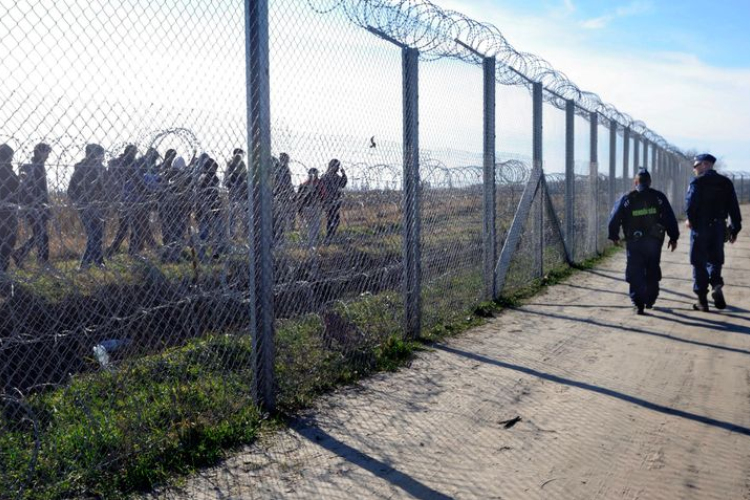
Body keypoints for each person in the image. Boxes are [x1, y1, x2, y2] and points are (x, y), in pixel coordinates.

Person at [608, 168, 679, 315]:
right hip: (654, 241)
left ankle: (638, 303)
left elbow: (614, 217)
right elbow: (669, 217)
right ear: (649, 182)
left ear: (635, 182)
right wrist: (673, 237)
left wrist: (614, 235)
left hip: (634, 242)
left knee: (635, 269)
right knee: (652, 267)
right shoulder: (658, 197)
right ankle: (651, 299)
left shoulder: (627, 198)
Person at [685, 153, 742, 311]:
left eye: (696, 166)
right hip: (718, 226)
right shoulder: (725, 182)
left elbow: (691, 203)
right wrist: (735, 229)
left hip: (700, 227)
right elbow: (734, 207)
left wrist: (690, 220)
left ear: (704, 164)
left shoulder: (697, 182)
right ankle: (716, 285)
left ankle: (702, 300)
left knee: (698, 262)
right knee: (715, 260)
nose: (695, 169)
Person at [68, 144, 107, 269]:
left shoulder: (101, 169)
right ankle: (86, 263)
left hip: (99, 206)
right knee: (93, 234)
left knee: (98, 234)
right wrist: (80, 201)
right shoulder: (81, 169)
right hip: (86, 206)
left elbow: (106, 188)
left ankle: (97, 261)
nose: (103, 157)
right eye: (101, 154)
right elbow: (71, 189)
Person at [14, 143, 51, 267]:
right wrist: (34, 202)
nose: (48, 156)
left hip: (41, 206)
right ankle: (42, 260)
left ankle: (21, 253)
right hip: (34, 207)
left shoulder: (39, 167)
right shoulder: (31, 167)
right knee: (41, 234)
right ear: (39, 152)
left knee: (40, 234)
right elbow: (26, 186)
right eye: (46, 153)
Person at [105, 144, 138, 256]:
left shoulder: (117, 163)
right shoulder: (127, 164)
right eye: (134, 153)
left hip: (122, 198)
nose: (134, 155)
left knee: (126, 225)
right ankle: (129, 250)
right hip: (125, 199)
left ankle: (114, 249)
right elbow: (135, 180)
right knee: (131, 225)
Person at [194, 156, 225, 261]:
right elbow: (203, 195)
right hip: (205, 210)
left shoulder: (209, 178)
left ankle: (211, 255)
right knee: (206, 234)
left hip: (211, 210)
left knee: (213, 234)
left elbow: (215, 194)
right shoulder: (205, 178)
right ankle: (203, 255)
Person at [0, 144, 19, 274]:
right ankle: (2, 270)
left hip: (7, 209)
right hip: (7, 211)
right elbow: (16, 188)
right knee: (7, 241)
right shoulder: (7, 170)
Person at [297, 167, 326, 249]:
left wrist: (299, 211)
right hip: (315, 207)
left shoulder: (303, 184)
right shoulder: (319, 184)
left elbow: (299, 198)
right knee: (315, 226)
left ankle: (307, 243)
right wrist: (323, 206)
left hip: (305, 207)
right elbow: (323, 196)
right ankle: (311, 244)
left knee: (309, 226)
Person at [321, 158, 347, 242]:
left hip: (335, 201)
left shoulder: (336, 176)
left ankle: (330, 236)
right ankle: (328, 237)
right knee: (331, 219)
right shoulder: (326, 176)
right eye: (337, 166)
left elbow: (343, 184)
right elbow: (324, 189)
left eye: (338, 166)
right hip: (328, 201)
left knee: (335, 220)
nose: (338, 168)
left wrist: (344, 174)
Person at [224, 148, 248, 239]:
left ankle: (241, 232)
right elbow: (227, 179)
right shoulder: (231, 164)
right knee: (234, 213)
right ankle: (233, 233)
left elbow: (245, 177)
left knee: (238, 213)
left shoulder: (240, 164)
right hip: (234, 191)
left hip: (239, 191)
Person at [273, 152, 294, 244]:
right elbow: (283, 183)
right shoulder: (281, 169)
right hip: (281, 196)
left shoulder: (282, 169)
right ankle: (278, 239)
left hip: (282, 195)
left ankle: (279, 238)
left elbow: (288, 183)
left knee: (281, 218)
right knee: (280, 218)